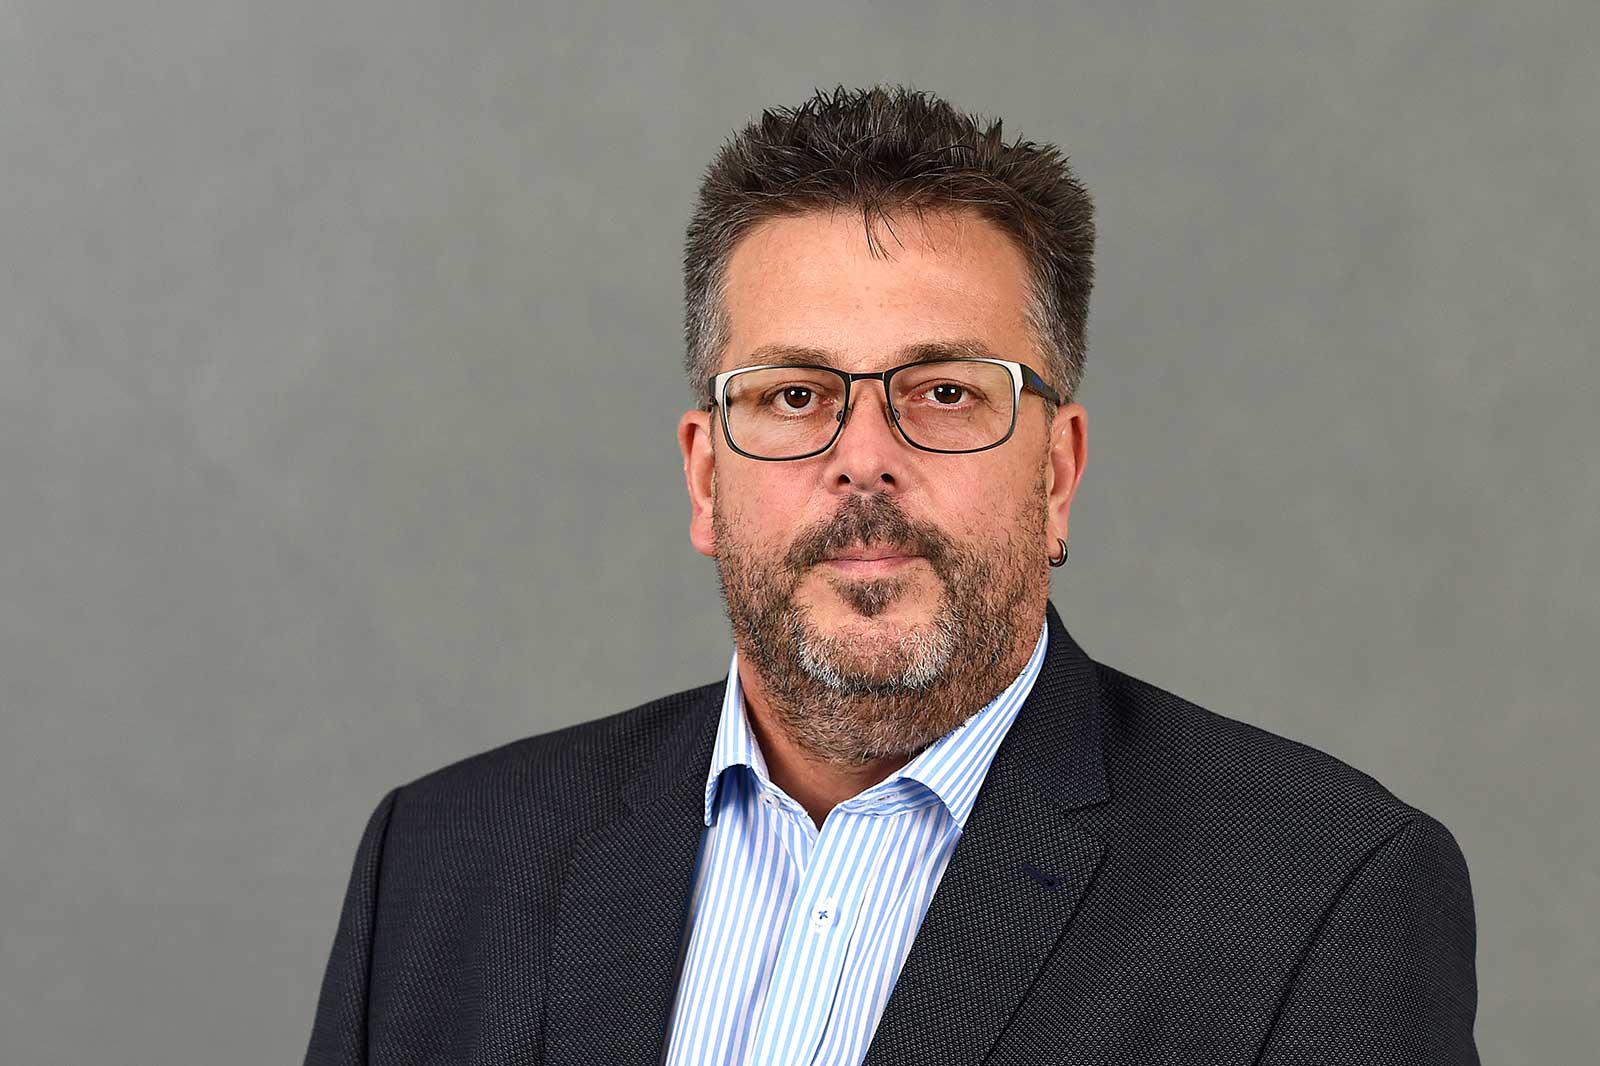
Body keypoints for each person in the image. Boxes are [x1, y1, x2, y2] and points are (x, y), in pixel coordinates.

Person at [302, 85, 1479, 1065]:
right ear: (705, 477)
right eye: (793, 395)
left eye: (947, 392)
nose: (862, 457)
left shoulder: (1322, 899)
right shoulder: (442, 861)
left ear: (1057, 472)